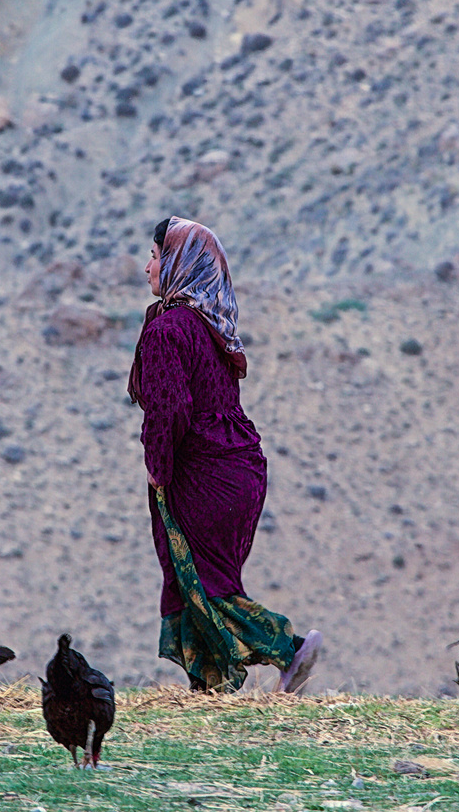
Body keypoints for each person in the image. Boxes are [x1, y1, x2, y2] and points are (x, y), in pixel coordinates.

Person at [127, 216, 322, 694]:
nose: (146, 268)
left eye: (154, 257)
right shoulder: (208, 325)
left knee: (201, 580)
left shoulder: (169, 331)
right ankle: (211, 689)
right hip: (240, 469)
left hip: (203, 474)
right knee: (197, 574)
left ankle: (288, 647)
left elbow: (169, 411)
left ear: (175, 264)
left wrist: (158, 467)